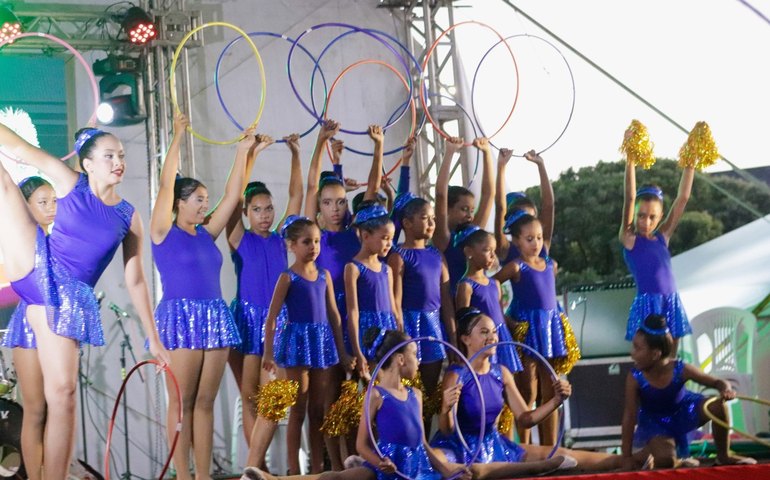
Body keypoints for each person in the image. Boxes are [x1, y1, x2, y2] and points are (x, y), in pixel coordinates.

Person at [0, 122, 169, 479]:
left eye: (121, 156)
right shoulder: (68, 181)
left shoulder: (128, 215)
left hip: (68, 295)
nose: (118, 162)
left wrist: (152, 335)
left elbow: (136, 278)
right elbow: (20, 149)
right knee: (3, 184)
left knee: (63, 394)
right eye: (108, 156)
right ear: (88, 163)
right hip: (37, 264)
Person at [150, 112, 247, 480]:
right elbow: (164, 184)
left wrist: (242, 150)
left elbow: (234, 194)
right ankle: (182, 474)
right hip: (180, 318)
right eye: (198, 200)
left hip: (214, 317)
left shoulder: (207, 234)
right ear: (180, 203)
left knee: (205, 403)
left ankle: (203, 476)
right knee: (182, 401)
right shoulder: (163, 231)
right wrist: (177, 135)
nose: (205, 205)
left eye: (206, 199)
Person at [434, 307, 641, 476]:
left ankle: (629, 460)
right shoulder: (457, 375)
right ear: (466, 339)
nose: (493, 337)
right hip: (458, 448)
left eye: (494, 331)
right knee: (451, 466)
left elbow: (525, 419)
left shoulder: (501, 373)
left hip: (494, 445)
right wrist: (445, 408)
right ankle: (538, 468)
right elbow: (447, 429)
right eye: (484, 332)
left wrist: (556, 400)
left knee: (563, 454)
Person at [242, 329, 472, 480]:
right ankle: (273, 479)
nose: (419, 359)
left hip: (416, 465)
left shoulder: (416, 394)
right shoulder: (376, 396)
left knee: (470, 470)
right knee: (334, 477)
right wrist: (379, 462)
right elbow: (363, 443)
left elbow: (421, 441)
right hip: (386, 464)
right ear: (400, 360)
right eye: (415, 354)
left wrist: (444, 469)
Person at [304, 121, 387, 469]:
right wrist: (319, 142)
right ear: (319, 208)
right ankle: (329, 467)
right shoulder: (315, 237)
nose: (336, 208)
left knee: (360, 398)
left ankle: (359, 462)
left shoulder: (356, 234)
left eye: (340, 202)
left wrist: (378, 146)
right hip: (327, 324)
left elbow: (370, 192)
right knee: (327, 401)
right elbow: (310, 186)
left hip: (357, 325)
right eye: (328, 203)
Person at [226, 133, 302, 450]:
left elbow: (296, 197)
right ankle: (254, 466)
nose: (266, 215)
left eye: (269, 208)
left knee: (274, 397)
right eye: (257, 209)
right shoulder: (238, 238)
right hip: (247, 317)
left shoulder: (280, 237)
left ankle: (268, 462)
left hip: (277, 321)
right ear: (246, 212)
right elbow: (233, 197)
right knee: (250, 397)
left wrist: (296, 153)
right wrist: (250, 154)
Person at [260, 216, 354, 474]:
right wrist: (268, 352)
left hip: (322, 343)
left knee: (318, 410)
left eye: (316, 241)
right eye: (306, 242)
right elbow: (271, 319)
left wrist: (343, 352)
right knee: (298, 409)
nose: (313, 247)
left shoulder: (324, 275)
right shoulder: (287, 278)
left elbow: (334, 315)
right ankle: (294, 470)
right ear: (292, 245)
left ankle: (317, 467)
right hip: (297, 344)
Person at [621, 313, 756, 469]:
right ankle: (678, 460)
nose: (632, 353)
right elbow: (629, 416)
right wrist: (626, 457)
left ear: (655, 354)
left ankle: (723, 456)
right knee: (666, 462)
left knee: (718, 406)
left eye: (637, 348)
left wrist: (726, 389)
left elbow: (718, 382)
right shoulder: (635, 377)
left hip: (684, 412)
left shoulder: (680, 369)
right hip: (656, 423)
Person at [493, 211, 578, 445]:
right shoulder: (515, 266)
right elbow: (492, 285)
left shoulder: (550, 264)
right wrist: (503, 317)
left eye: (539, 238)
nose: (536, 243)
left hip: (550, 329)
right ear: (517, 242)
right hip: (528, 330)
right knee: (528, 391)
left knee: (550, 389)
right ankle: (524, 445)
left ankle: (550, 447)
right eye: (529, 239)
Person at [1, 176, 56, 479]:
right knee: (35, 409)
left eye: (54, 201)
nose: (51, 208)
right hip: (30, 325)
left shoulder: (59, 239)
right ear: (25, 206)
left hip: (59, 324)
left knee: (57, 410)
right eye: (43, 202)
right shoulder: (20, 236)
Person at [620, 138, 695, 353]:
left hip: (670, 302)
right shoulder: (629, 239)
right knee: (647, 360)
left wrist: (691, 161)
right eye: (641, 216)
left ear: (661, 216)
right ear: (634, 214)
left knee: (670, 361)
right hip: (647, 305)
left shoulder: (663, 236)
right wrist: (631, 159)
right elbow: (629, 196)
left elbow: (683, 198)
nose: (646, 221)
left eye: (652, 217)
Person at [388, 190, 455, 420]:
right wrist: (400, 335)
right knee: (405, 389)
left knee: (427, 389)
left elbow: (446, 300)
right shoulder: (398, 256)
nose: (431, 223)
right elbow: (395, 301)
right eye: (425, 218)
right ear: (407, 223)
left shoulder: (437, 256)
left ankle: (424, 444)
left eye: (433, 219)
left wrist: (453, 339)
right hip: (408, 325)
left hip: (432, 326)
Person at [454, 225, 522, 377]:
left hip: (501, 337)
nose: (493, 256)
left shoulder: (495, 283)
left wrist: (515, 326)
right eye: (487, 250)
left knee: (507, 379)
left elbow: (500, 314)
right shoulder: (466, 285)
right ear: (469, 252)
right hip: (482, 341)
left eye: (494, 251)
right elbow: (463, 323)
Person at [433, 137, 495, 295]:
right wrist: (450, 152)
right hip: (455, 307)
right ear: (448, 208)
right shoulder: (444, 238)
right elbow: (440, 193)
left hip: (480, 303)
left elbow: (488, 195)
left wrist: (486, 152)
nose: (469, 215)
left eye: (472, 210)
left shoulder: (475, 234)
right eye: (464, 209)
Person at [345, 203, 401, 378]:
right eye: (384, 238)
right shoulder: (353, 268)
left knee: (388, 382)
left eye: (391, 238)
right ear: (366, 235)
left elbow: (393, 309)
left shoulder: (387, 270)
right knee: (368, 387)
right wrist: (357, 350)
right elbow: (352, 312)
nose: (389, 244)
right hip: (367, 334)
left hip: (388, 331)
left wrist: (400, 336)